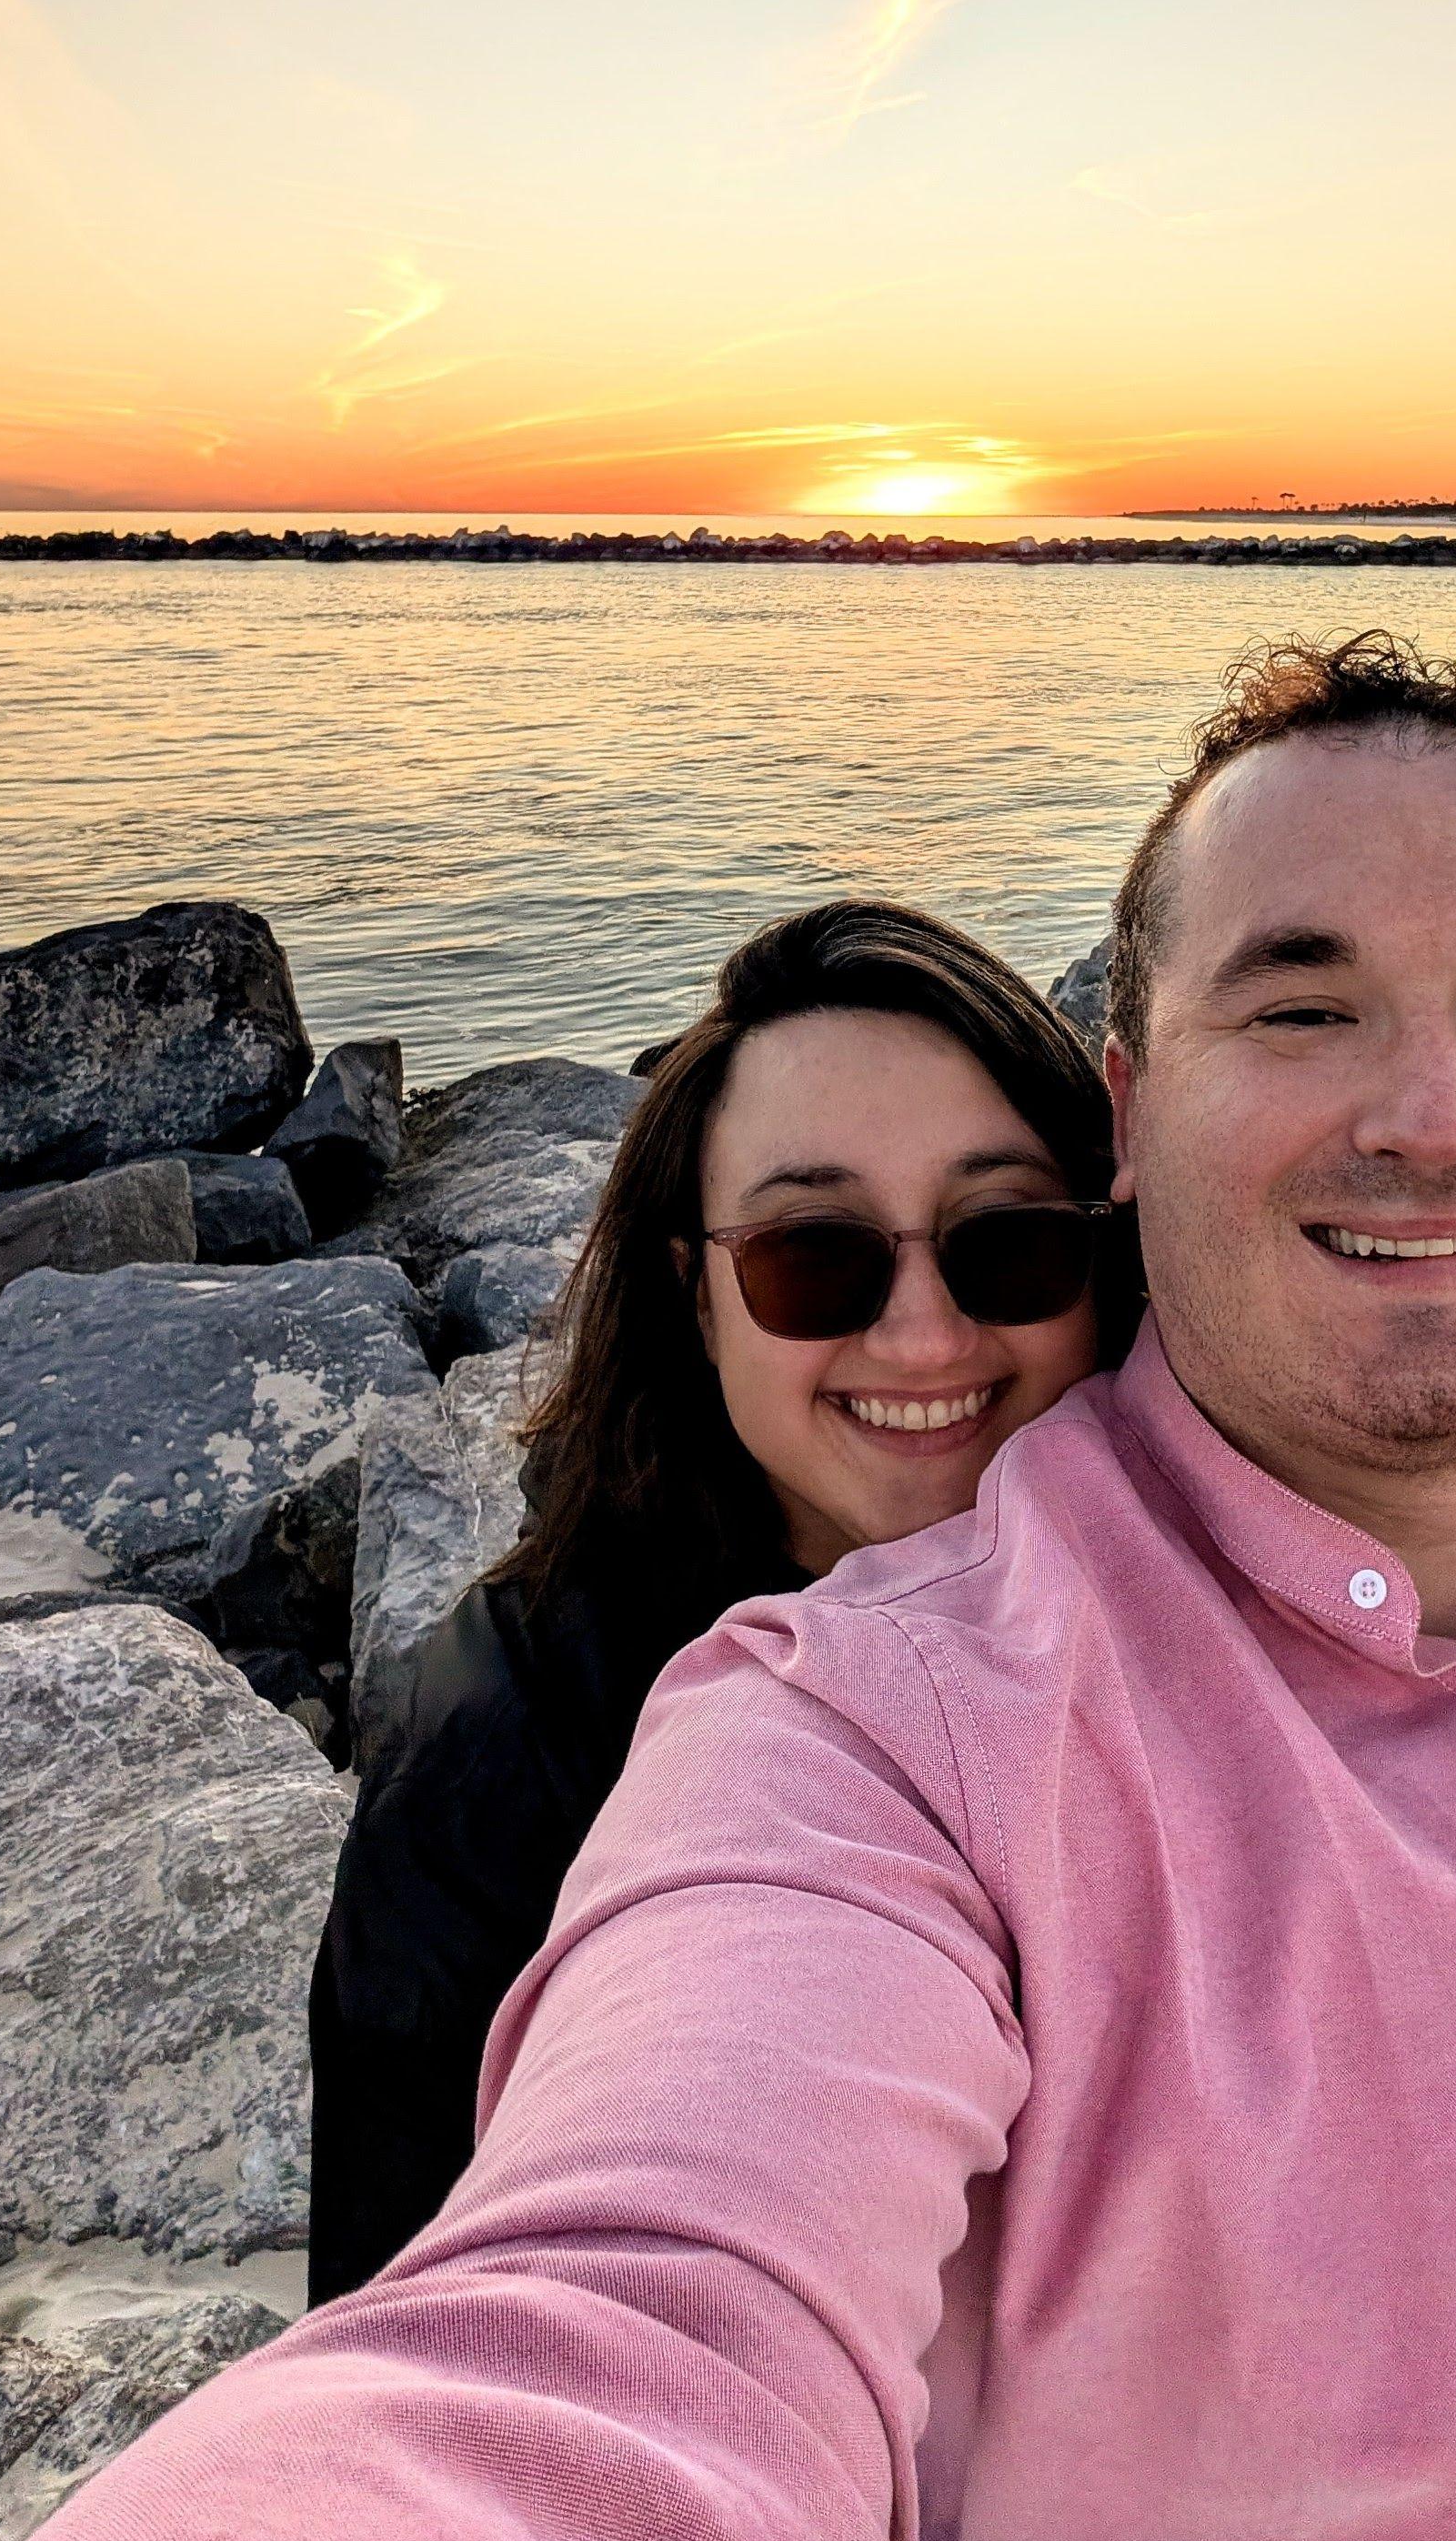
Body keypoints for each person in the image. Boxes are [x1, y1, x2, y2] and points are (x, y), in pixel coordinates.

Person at [42, 633, 1456, 2541]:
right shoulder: (842, 1729)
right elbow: (617, 2322)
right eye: (1302, 1005)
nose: (1436, 1115)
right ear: (1137, 1115)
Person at [309, 898, 1137, 2303]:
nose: (923, 1338)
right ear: (697, 1296)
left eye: (1009, 1239)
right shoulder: (514, 1760)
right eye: (814, 1255)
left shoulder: (1228, 1611)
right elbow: (425, 2301)